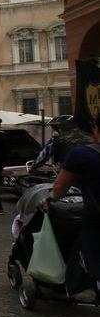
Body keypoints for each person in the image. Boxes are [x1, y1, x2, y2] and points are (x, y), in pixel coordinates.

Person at [49, 117, 100, 294]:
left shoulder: (82, 154)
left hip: (95, 218)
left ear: (95, 129)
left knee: (92, 255)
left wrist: (52, 197)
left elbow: (59, 188)